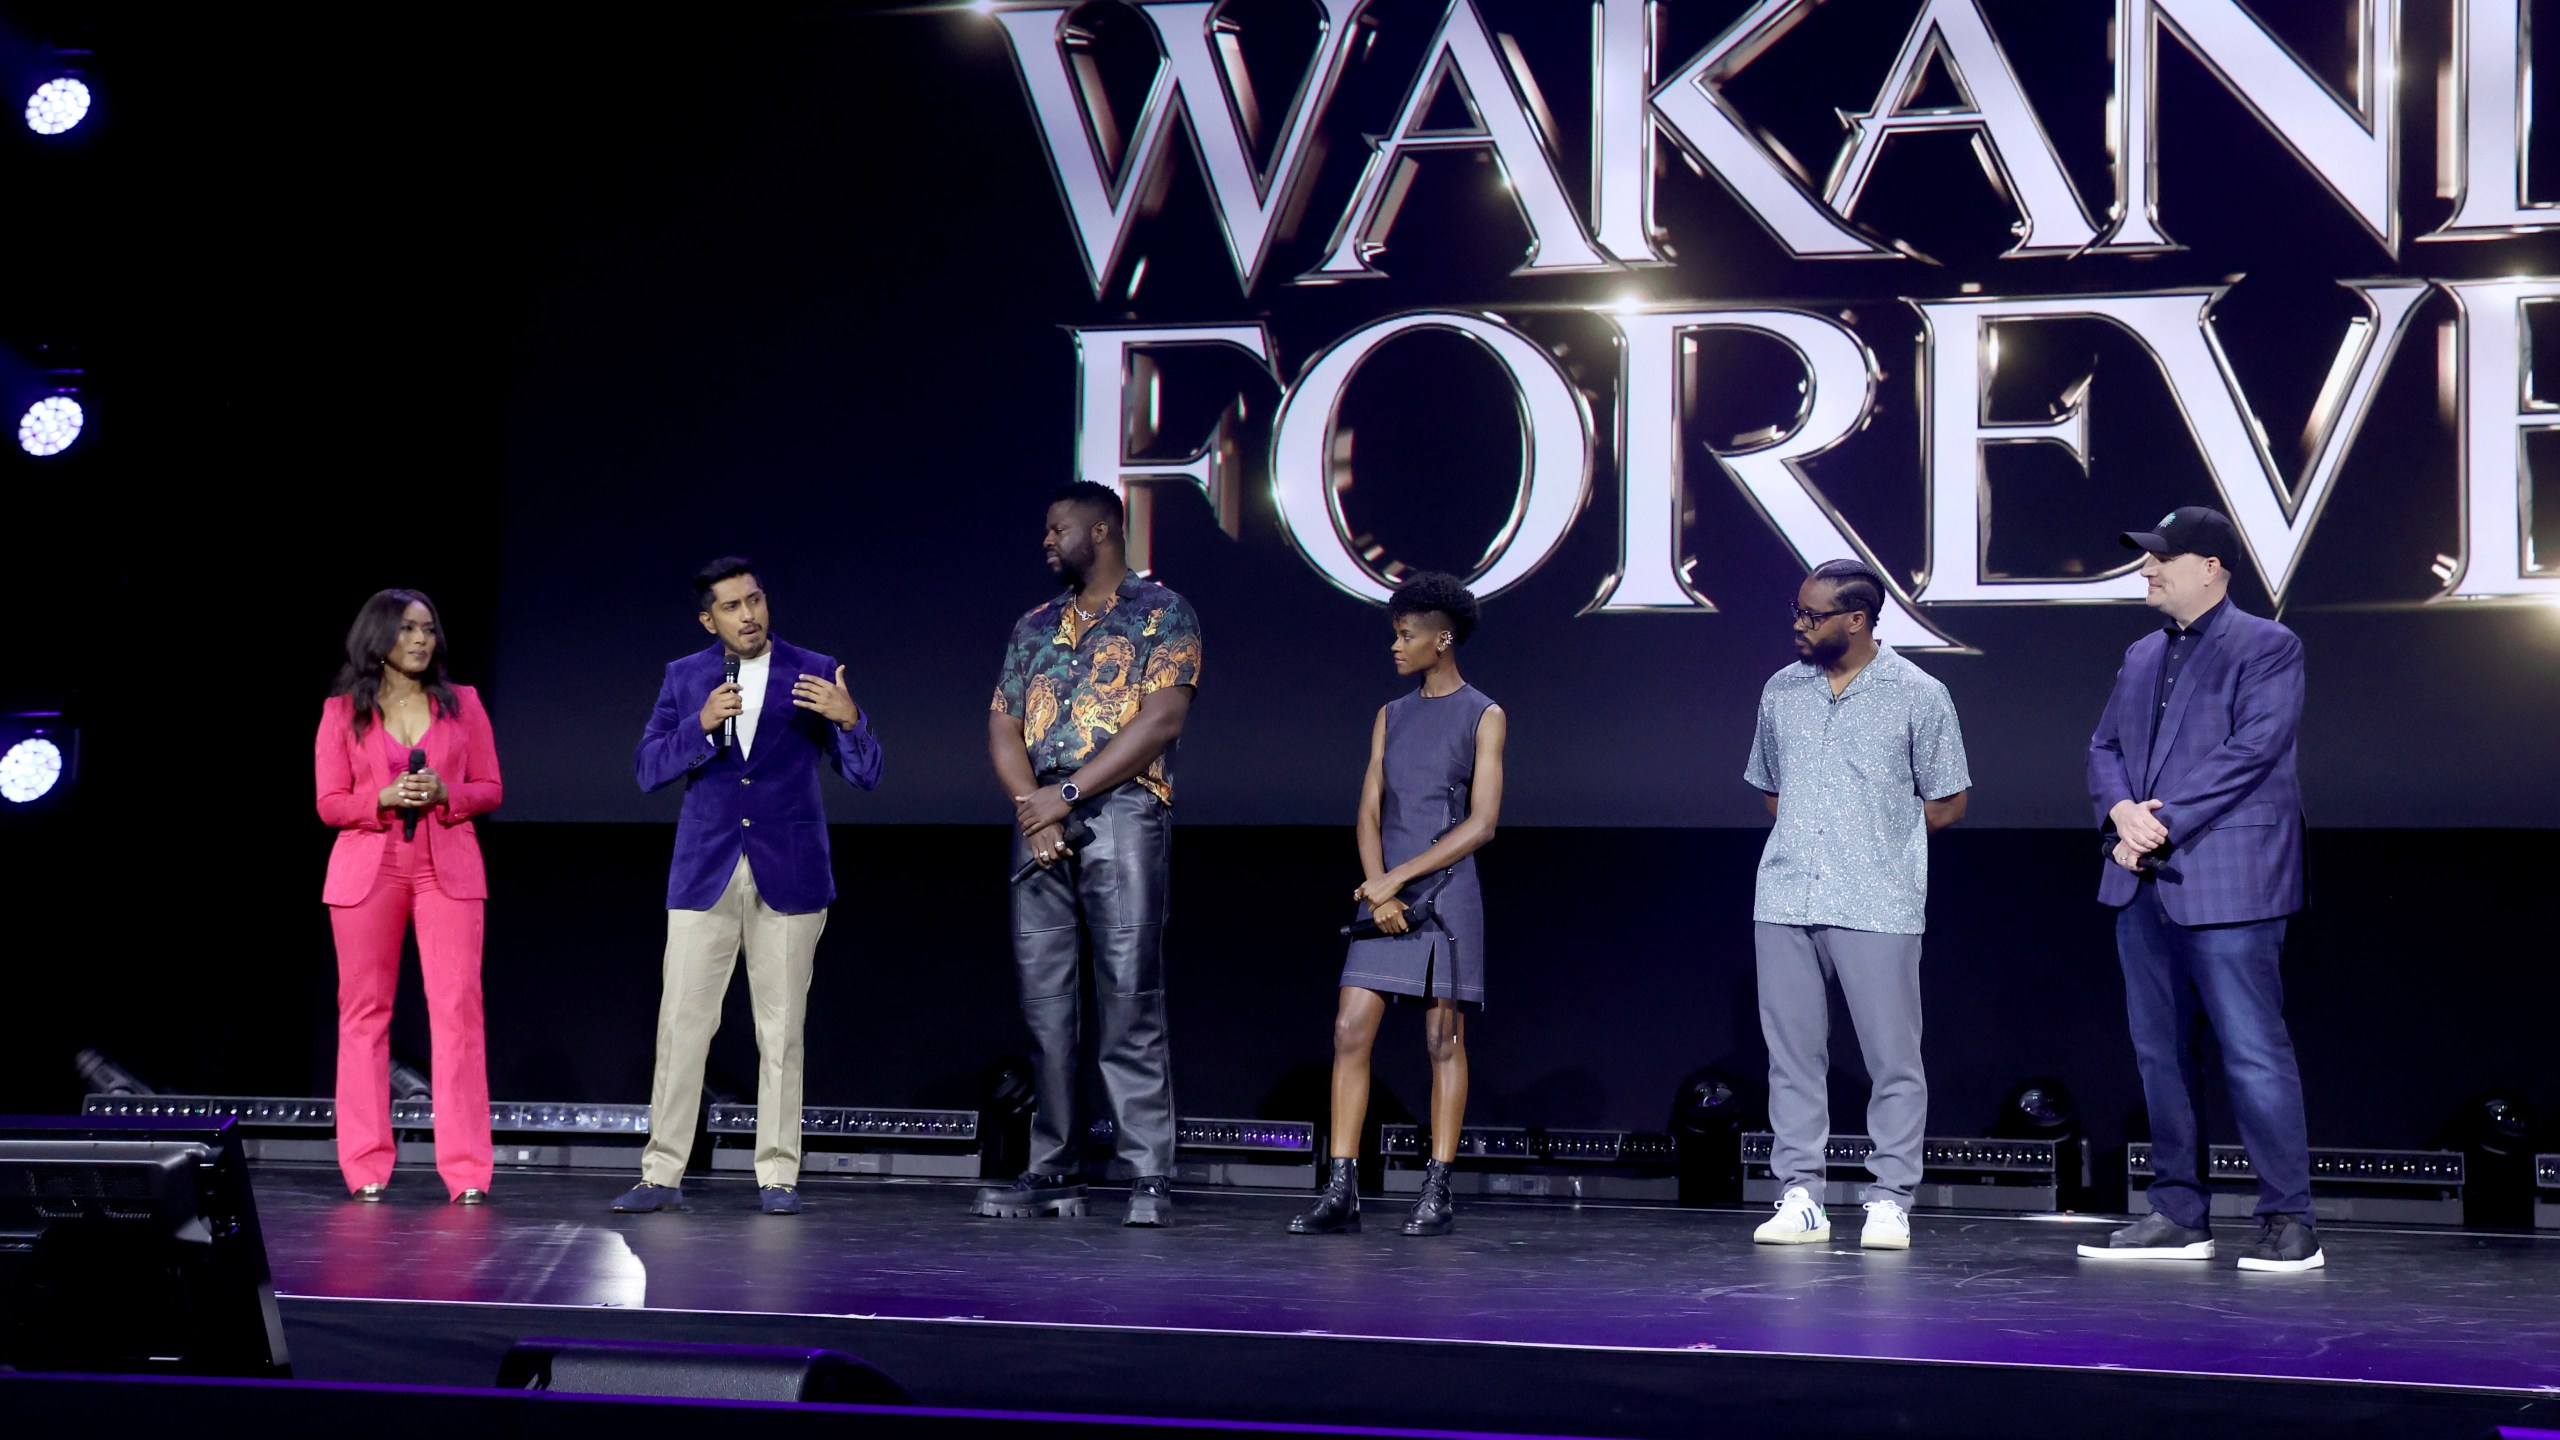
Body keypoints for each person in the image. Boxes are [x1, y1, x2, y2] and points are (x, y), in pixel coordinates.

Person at [2077, 506, 2321, 1273]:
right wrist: (2119, 810)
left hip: (2231, 880)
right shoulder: (2142, 653)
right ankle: (2178, 1213)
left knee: (2252, 1052)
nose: (2147, 570)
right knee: (2160, 1056)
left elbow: (2254, 751)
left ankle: (2291, 1222)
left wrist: (2161, 821)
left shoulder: (2269, 646)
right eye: (2146, 559)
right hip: (2142, 879)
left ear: (2210, 567)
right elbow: (2104, 744)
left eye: (2162, 559)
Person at [611, 558, 882, 1217]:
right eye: (732, 606)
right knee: (683, 1026)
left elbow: (867, 775)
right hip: (704, 870)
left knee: (781, 1028)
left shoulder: (813, 668)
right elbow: (648, 769)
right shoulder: (686, 678)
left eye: (755, 600)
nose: (749, 614)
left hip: (788, 871)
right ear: (710, 619)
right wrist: (699, 724)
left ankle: (778, 1176)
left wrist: (851, 721)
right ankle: (662, 1172)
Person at [978, 482, 1200, 1227]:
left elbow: (1162, 718)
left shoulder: (1162, 613)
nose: (1047, 542)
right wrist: (1033, 808)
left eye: (1057, 529)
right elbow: (1005, 724)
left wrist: (1066, 796)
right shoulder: (1033, 625)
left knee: (1129, 997)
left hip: (1123, 812)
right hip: (1039, 818)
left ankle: (1147, 1171)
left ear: (1101, 531)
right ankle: (1053, 1166)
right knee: (1047, 1006)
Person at [1744, 559, 1970, 1250]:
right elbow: (1771, 787)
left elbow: (1949, 800)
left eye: (1812, 615)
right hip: (1785, 894)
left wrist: (1880, 840)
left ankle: (1890, 1198)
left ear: (1857, 620)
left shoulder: (1919, 693)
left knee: (1892, 1059)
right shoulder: (1782, 690)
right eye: (1797, 610)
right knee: (1793, 1057)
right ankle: (1801, 1195)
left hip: (1877, 902)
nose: (1799, 624)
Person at [1291, 573, 1505, 1239]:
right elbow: (1368, 809)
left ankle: (1437, 1188)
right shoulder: (1391, 714)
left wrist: (1399, 882)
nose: (1396, 645)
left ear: (1442, 639)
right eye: (1395, 633)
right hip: (1384, 892)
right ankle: (1342, 1188)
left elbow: (1482, 823)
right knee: (1350, 1030)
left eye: (1407, 634)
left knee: (1443, 1039)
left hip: (1445, 895)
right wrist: (1376, 882)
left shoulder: (1484, 714)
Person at [314, 588, 504, 1204]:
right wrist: (383, 799)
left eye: (428, 629)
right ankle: (365, 1162)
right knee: (364, 1017)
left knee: (458, 1014)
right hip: (370, 867)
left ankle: (467, 1170)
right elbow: (329, 802)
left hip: (445, 864)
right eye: (407, 630)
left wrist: (448, 792)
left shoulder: (463, 705)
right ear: (378, 639)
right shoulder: (342, 711)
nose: (422, 640)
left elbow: (491, 786)